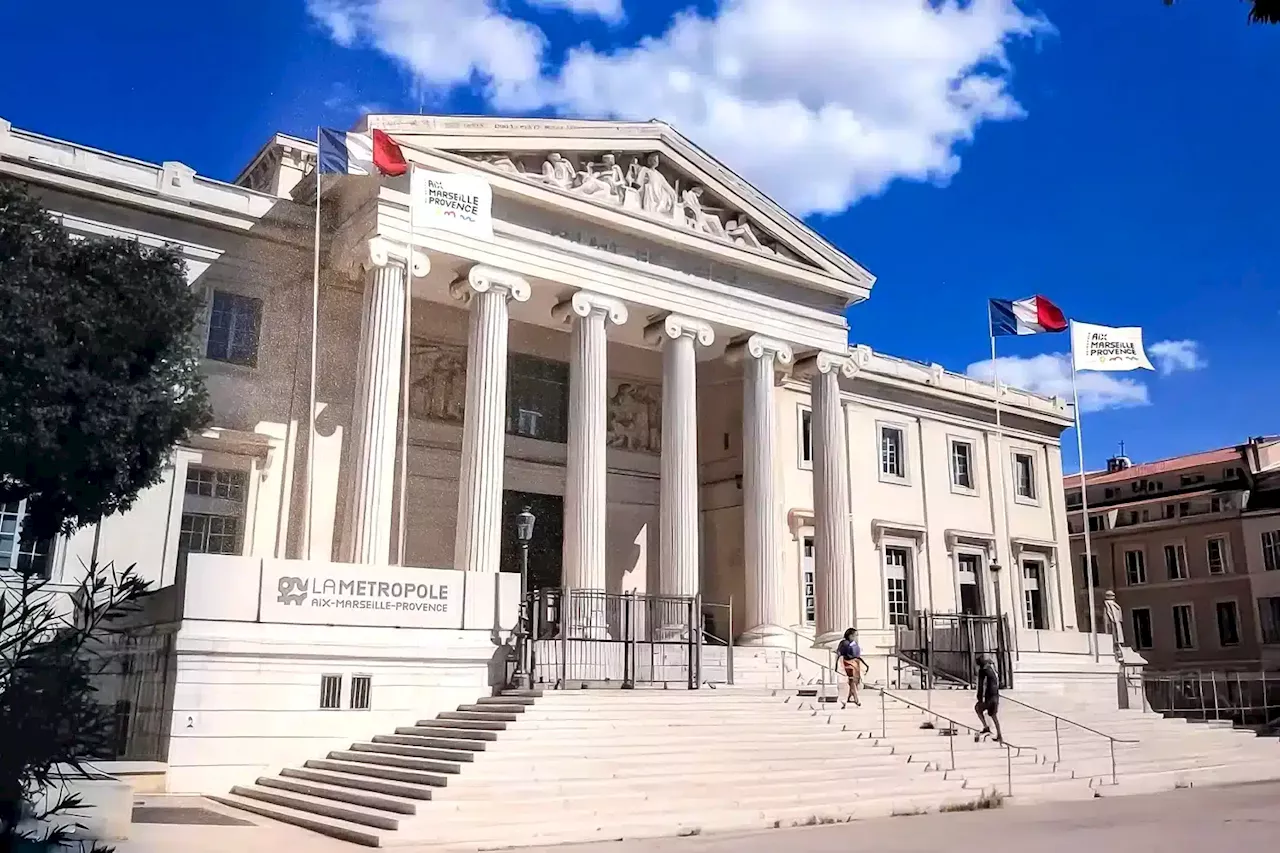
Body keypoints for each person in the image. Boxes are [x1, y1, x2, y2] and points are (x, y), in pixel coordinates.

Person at [974, 655, 1003, 743]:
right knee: (993, 715)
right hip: (995, 696)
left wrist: (981, 697)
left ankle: (986, 727)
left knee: (978, 708)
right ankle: (999, 735)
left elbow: (983, 684)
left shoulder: (983, 671)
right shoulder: (992, 670)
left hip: (988, 697)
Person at [835, 628, 867, 708]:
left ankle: (848, 698)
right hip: (848, 662)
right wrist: (836, 665)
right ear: (849, 635)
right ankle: (856, 699)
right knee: (852, 680)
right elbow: (840, 653)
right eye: (854, 635)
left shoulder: (853, 643)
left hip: (856, 662)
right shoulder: (845, 643)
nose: (855, 637)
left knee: (855, 680)